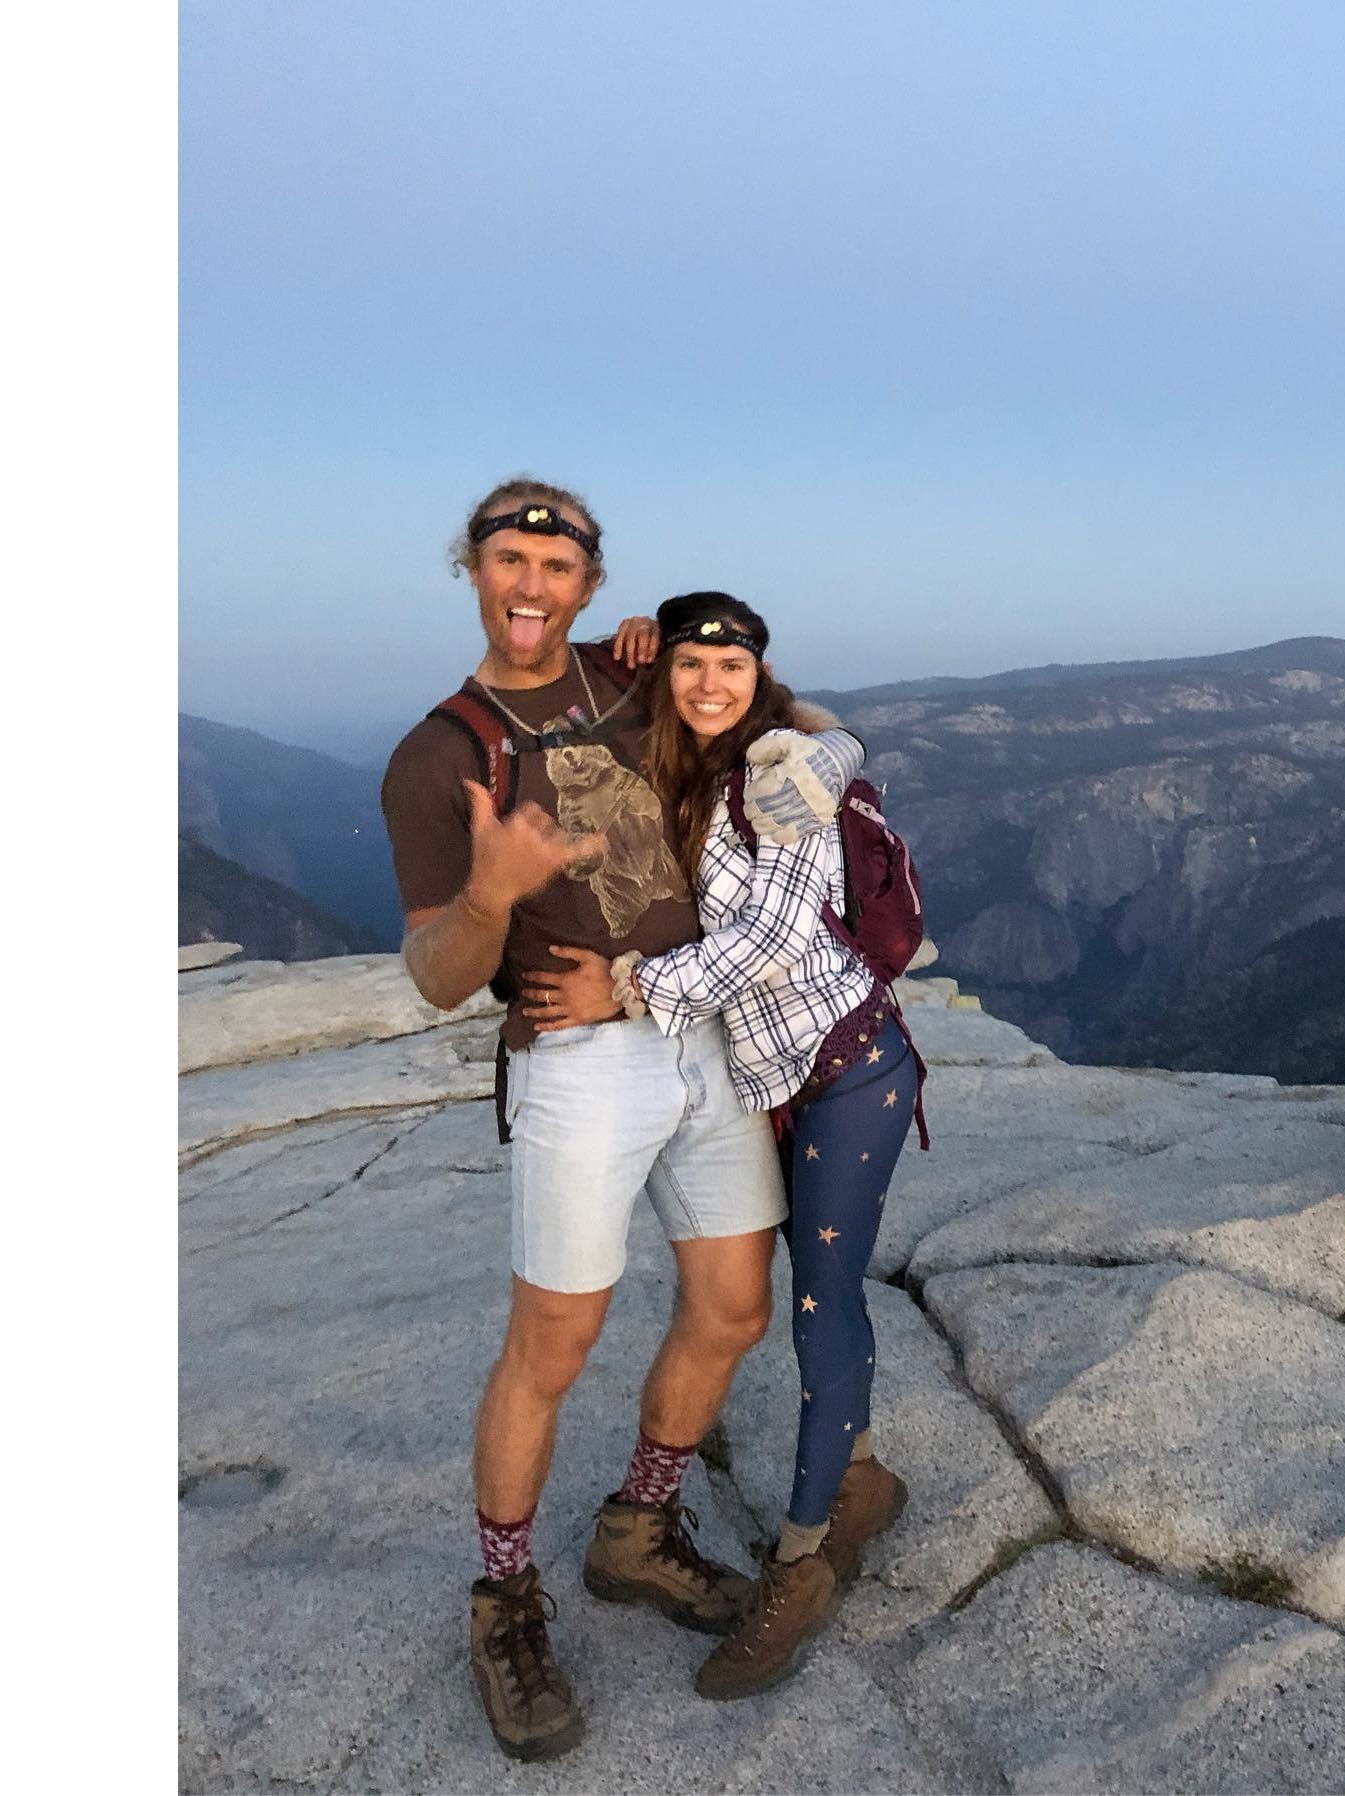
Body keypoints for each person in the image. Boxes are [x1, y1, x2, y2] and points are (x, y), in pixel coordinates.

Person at [380, 480, 862, 1761]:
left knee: (732, 1305)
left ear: (591, 586)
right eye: (506, 559)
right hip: (580, 1057)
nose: (529, 584)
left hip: (700, 1031)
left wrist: (816, 757)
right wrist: (491, 895)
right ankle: (503, 1598)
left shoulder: (636, 672)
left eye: (554, 563)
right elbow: (435, 970)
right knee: (554, 1336)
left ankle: (634, 1530)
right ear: (471, 571)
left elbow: (789, 719)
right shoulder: (441, 753)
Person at [522, 591, 921, 1700]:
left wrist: (626, 989)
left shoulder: (782, 774)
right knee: (797, 1282)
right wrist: (629, 640)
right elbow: (568, 672)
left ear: (760, 680)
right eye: (690, 666)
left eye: (730, 668)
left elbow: (774, 939)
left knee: (819, 1297)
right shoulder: (698, 768)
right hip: (776, 1080)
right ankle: (860, 1473)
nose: (708, 684)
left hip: (848, 1071)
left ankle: (800, 1560)